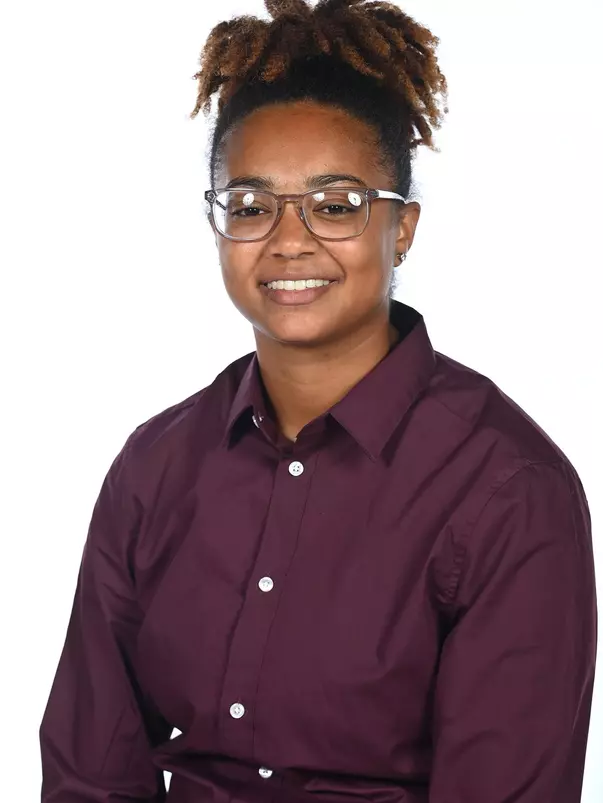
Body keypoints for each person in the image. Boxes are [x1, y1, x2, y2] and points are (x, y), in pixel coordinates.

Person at [39, 0, 597, 801]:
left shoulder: (506, 488)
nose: (289, 239)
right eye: (251, 206)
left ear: (402, 228)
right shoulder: (155, 467)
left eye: (336, 206)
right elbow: (91, 773)